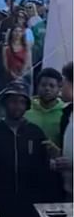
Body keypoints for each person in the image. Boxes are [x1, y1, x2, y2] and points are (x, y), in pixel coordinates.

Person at [0, 81, 54, 217]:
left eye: (21, 102)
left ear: (26, 106)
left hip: (30, 207)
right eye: (13, 101)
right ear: (5, 103)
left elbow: (44, 169)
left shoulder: (35, 133)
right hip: (0, 206)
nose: (17, 106)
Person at [25, 68, 65, 147]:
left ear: (59, 88)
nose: (47, 89)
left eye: (52, 86)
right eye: (43, 85)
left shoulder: (65, 112)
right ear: (37, 87)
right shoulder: (26, 109)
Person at [50, 62, 73, 199]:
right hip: (68, 190)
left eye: (63, 83)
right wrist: (60, 154)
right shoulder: (67, 113)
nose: (60, 88)